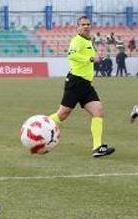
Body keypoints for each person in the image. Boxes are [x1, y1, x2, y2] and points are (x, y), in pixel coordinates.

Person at [47, 16, 115, 158]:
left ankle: (97, 148)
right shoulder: (76, 40)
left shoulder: (88, 41)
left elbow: (88, 57)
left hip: (86, 84)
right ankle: (40, 124)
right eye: (83, 24)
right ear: (77, 27)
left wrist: (96, 57)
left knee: (98, 111)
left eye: (88, 24)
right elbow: (71, 55)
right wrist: (90, 59)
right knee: (62, 114)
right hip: (75, 82)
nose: (86, 26)